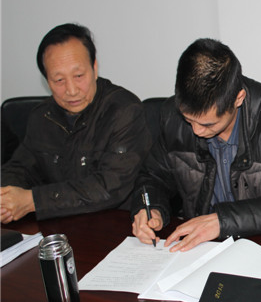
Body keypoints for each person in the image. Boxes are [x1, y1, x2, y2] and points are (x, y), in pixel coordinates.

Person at [131, 38, 261, 251]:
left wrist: (223, 222)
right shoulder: (171, 117)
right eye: (189, 120)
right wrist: (150, 207)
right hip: (203, 248)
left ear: (238, 99)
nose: (196, 131)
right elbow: (153, 176)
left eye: (208, 124)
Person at [1, 23, 152, 223]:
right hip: (58, 225)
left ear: (94, 68)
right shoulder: (42, 116)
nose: (71, 90)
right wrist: (6, 198)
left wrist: (33, 201)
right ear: (47, 80)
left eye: (79, 76)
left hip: (115, 226)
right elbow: (21, 167)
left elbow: (108, 187)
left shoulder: (124, 110)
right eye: (59, 80)